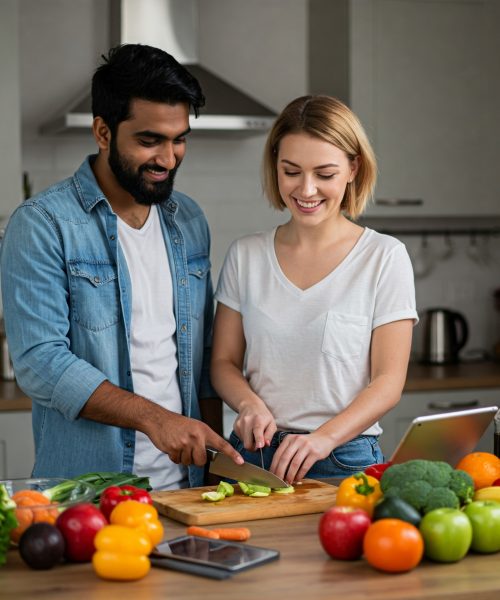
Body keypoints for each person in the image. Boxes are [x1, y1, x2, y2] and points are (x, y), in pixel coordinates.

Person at [0, 44, 242, 490]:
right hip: (88, 494)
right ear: (103, 132)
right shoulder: (42, 224)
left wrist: (211, 474)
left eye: (179, 139)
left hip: (186, 489)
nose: (168, 159)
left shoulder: (188, 220)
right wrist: (155, 419)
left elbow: (203, 356)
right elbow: (39, 362)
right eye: (150, 141)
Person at [211, 95, 418, 485]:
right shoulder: (246, 255)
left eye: (324, 174)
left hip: (344, 458)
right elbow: (223, 362)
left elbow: (388, 382)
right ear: (276, 167)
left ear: (353, 168)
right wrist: (248, 404)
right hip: (253, 456)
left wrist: (322, 439)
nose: (306, 190)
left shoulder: (384, 257)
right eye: (292, 172)